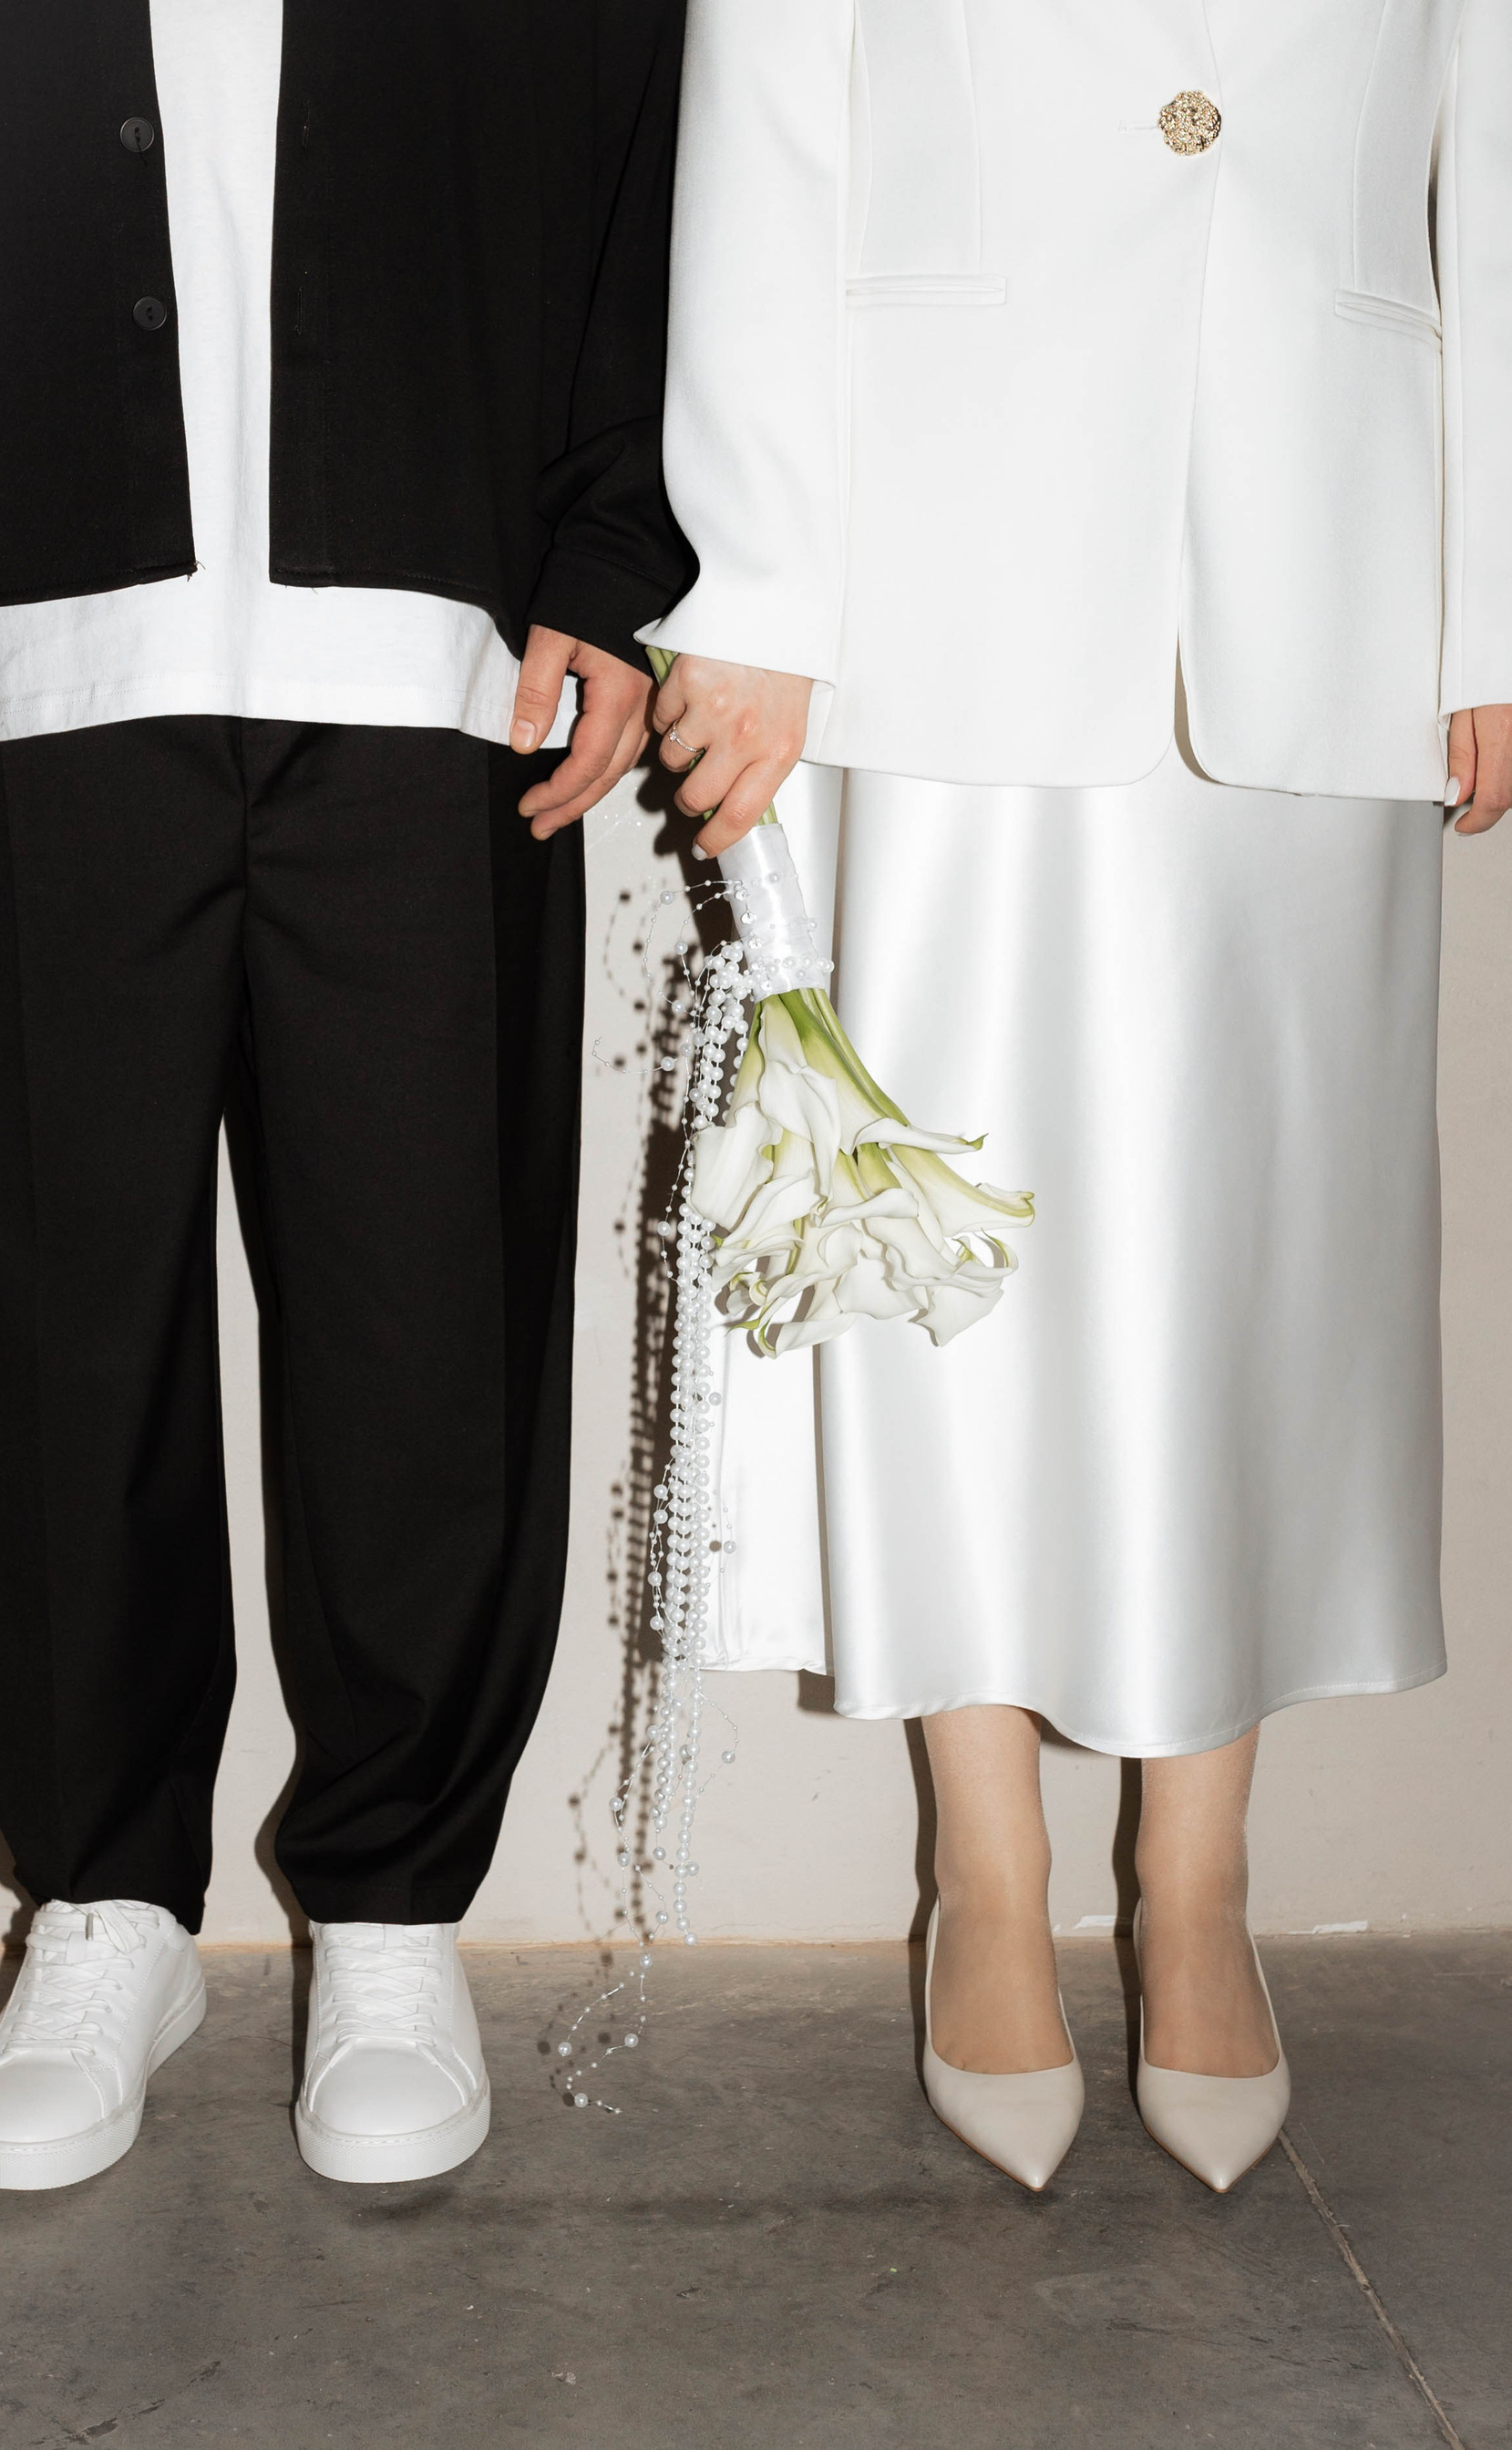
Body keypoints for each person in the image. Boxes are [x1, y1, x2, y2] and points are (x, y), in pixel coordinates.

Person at [0, 0, 687, 2190]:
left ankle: (391, 1908)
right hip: (11, 630)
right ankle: (105, 1904)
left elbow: (654, 137)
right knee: (48, 1323)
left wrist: (613, 546)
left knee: (428, 1311)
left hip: (438, 641)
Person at [640, 0, 1512, 2192]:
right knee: (945, 1254)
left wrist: (1495, 603)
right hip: (939, 566)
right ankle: (991, 1868)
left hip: (1331, 549)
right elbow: (766, 127)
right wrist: (753, 581)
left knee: (1263, 1246)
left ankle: (1199, 1880)